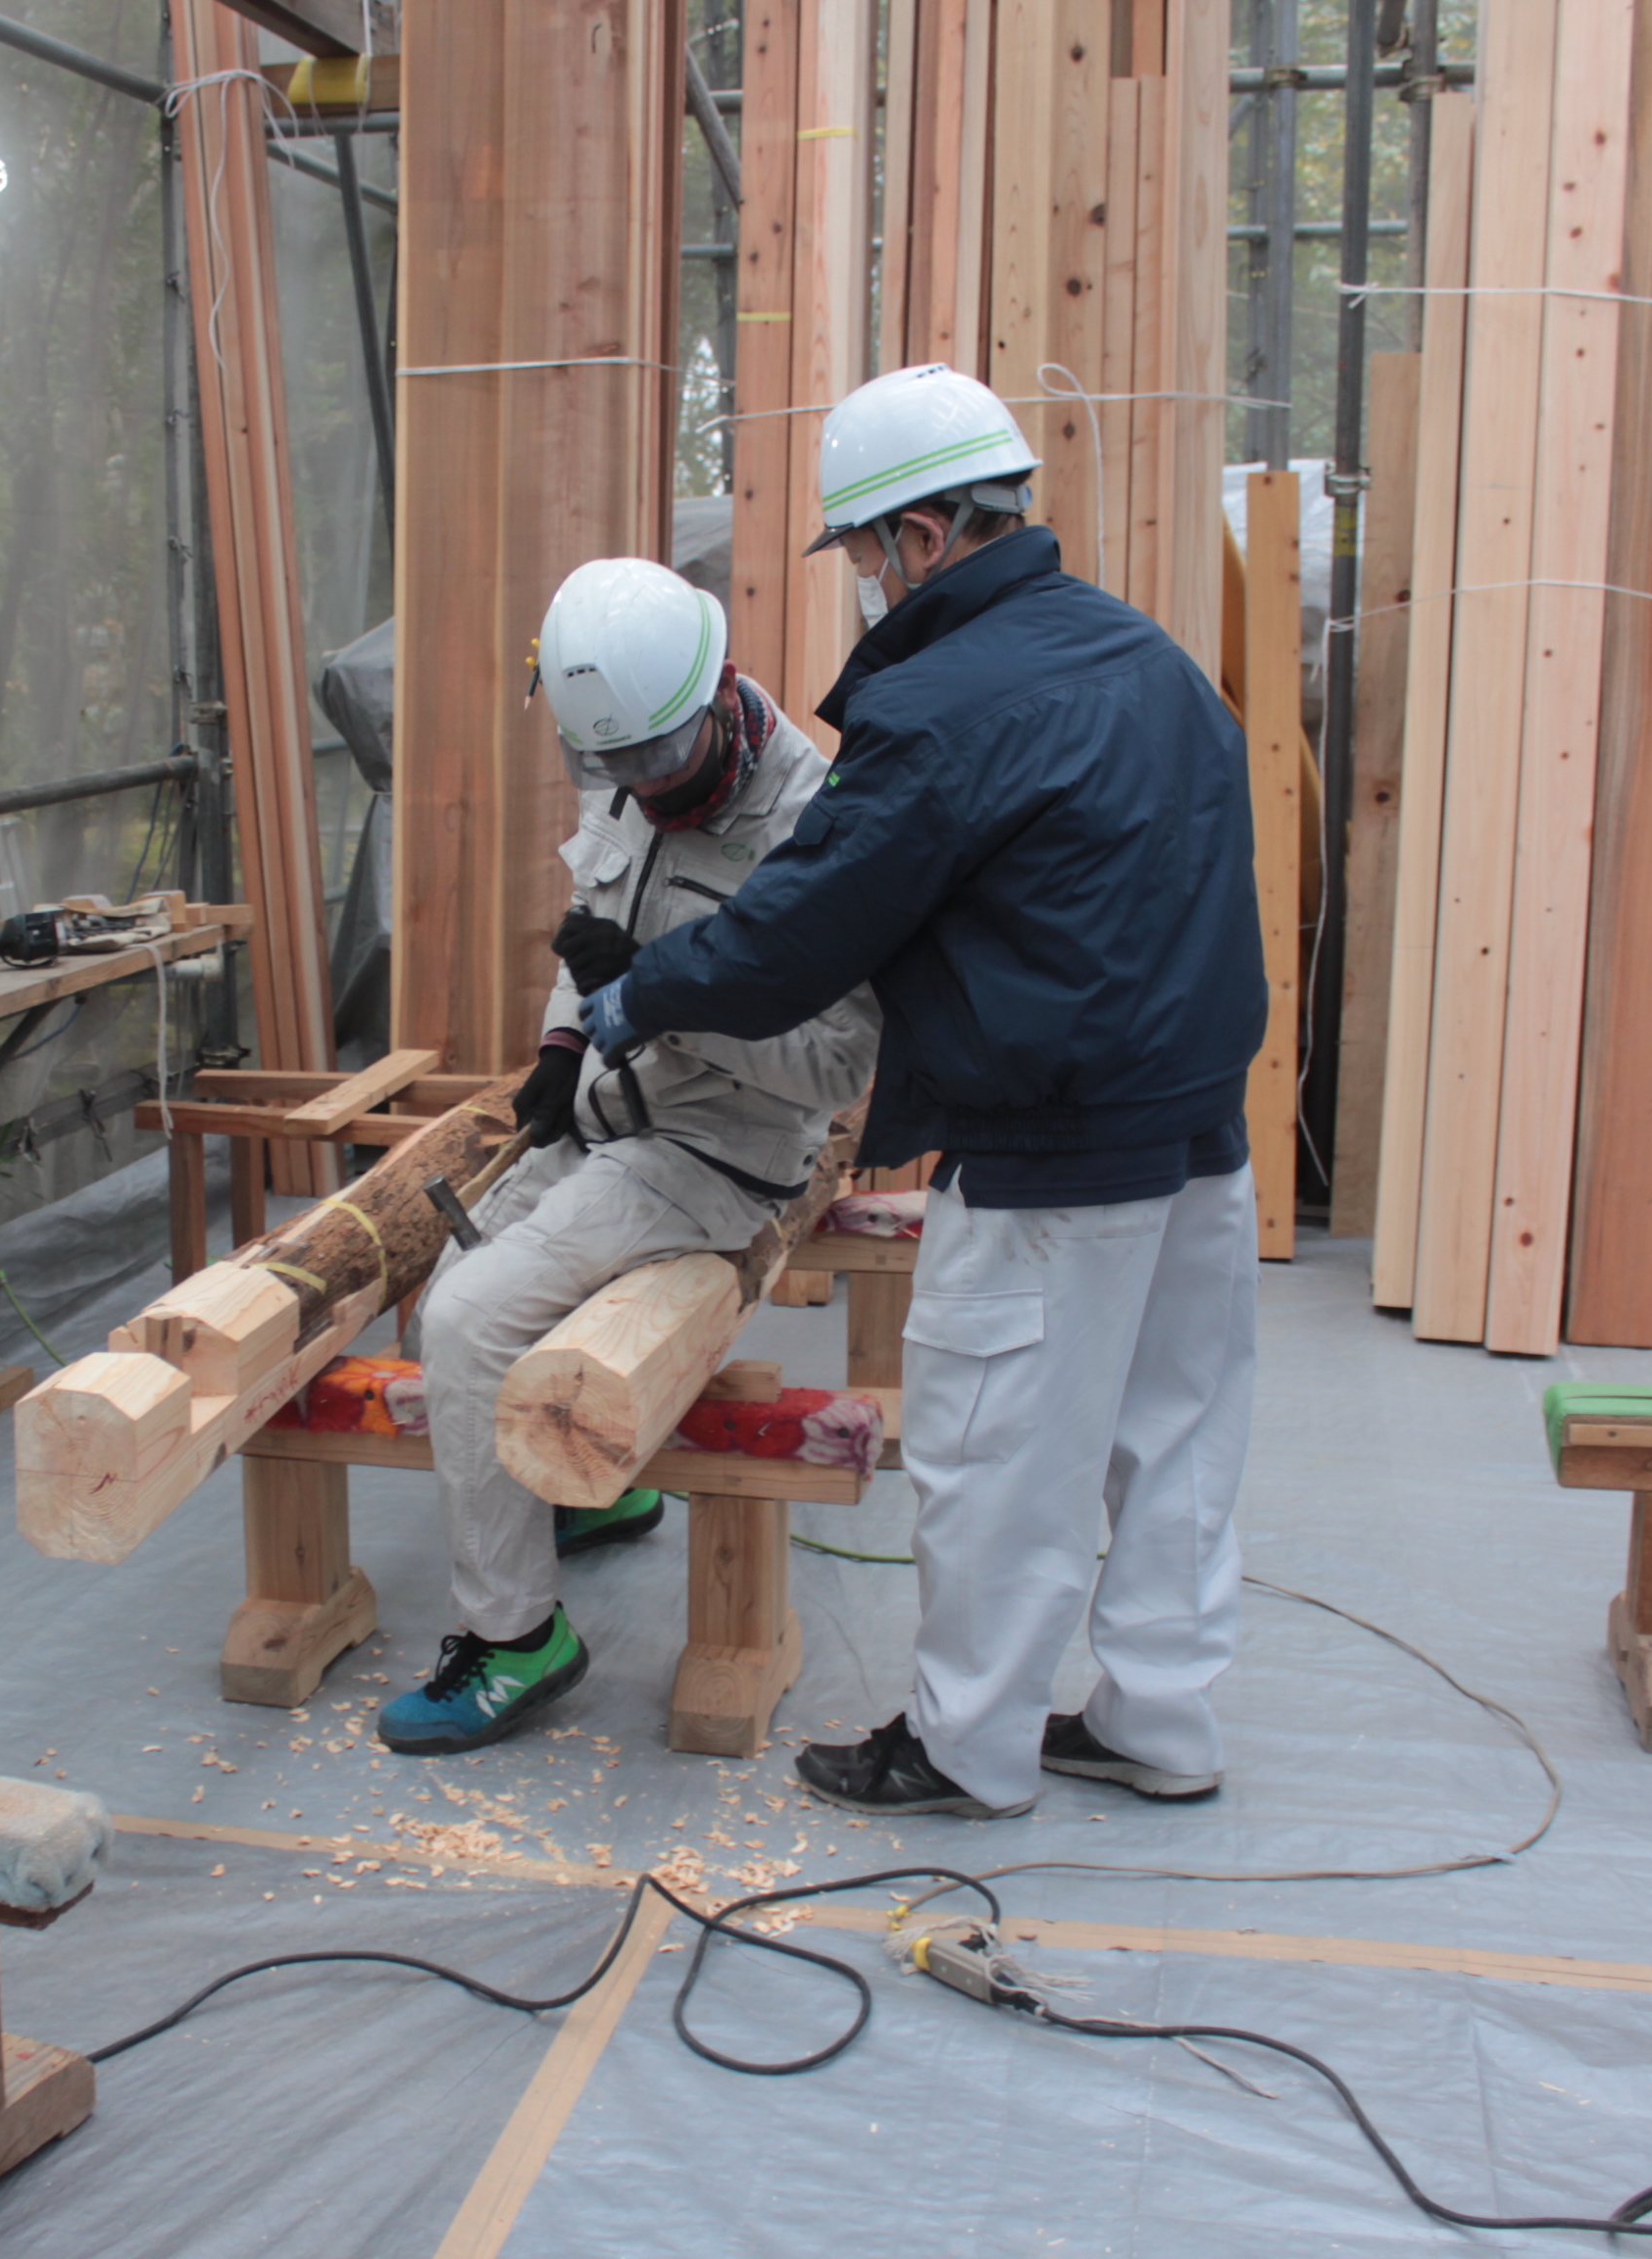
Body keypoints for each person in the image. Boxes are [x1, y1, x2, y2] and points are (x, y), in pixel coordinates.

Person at [581, 364, 1267, 1819]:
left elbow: (799, 935)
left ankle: (968, 1749)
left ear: (933, 532)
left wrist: (643, 991)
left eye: (872, 554)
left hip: (1049, 1151)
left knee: (997, 1463)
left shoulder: (946, 705)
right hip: (1202, 1134)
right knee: (1176, 1440)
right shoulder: (1150, 659)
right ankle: (1162, 1723)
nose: (868, 586)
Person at [375, 558, 880, 1758]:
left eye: (654, 764)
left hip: (720, 1153)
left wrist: (658, 1003)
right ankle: (602, 1493)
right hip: (611, 1110)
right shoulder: (628, 751)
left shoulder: (817, 829)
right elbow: (593, 929)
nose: (637, 793)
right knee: (444, 1301)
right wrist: (564, 1042)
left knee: (468, 1322)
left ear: (714, 696)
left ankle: (514, 1639)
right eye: (611, 770)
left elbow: (838, 1070)